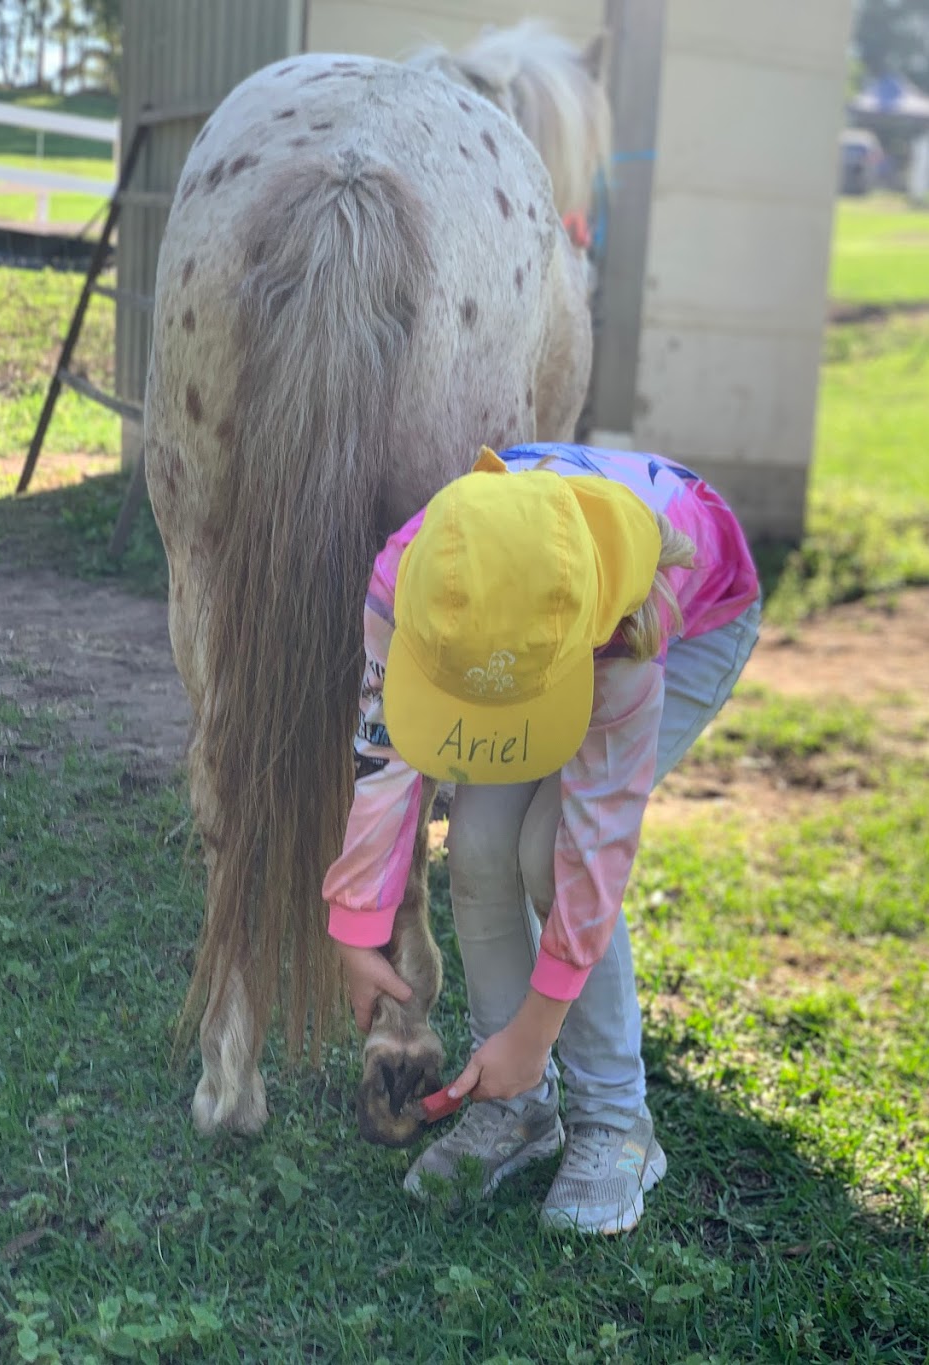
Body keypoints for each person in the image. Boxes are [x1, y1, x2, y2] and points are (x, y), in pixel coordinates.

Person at [322, 443, 761, 1234]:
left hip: (670, 625)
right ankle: (518, 1111)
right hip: (521, 640)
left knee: (549, 846)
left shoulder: (630, 621)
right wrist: (359, 929)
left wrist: (536, 1030)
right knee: (482, 846)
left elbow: (596, 850)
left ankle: (615, 1118)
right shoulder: (403, 582)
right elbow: (385, 755)